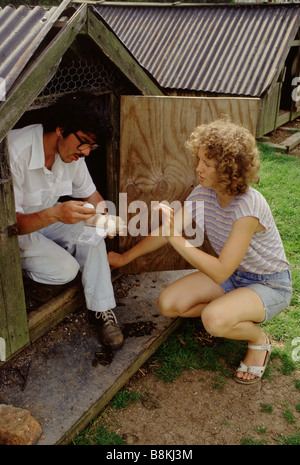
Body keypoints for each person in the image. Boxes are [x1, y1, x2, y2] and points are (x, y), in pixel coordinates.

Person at [108, 119, 292, 384]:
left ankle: (257, 339)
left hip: (268, 284)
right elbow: (166, 232)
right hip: (232, 278)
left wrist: (176, 239)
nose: (198, 168)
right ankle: (228, 311)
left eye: (207, 163)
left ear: (228, 169)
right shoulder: (204, 192)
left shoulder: (249, 206)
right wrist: (125, 258)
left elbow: (220, 269)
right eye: (199, 160)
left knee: (213, 320)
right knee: (169, 304)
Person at [8, 91, 124, 350]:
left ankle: (102, 310)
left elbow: (91, 194)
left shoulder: (73, 154)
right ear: (61, 129)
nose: (85, 152)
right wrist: (57, 214)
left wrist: (104, 217)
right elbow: (11, 225)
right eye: (83, 143)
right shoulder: (15, 151)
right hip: (13, 232)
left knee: (92, 236)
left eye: (91, 147)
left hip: (49, 216)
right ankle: (24, 278)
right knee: (65, 270)